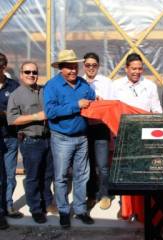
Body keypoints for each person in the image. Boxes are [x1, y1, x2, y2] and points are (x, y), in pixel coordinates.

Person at [44, 49, 96, 229]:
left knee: (82, 175)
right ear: (60, 68)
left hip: (82, 137)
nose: (73, 71)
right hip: (62, 138)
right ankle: (64, 212)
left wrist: (97, 101)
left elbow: (92, 100)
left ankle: (80, 210)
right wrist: (76, 105)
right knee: (61, 177)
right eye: (69, 68)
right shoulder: (52, 86)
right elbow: (50, 112)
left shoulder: (83, 84)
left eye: (75, 67)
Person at [111, 53, 163, 221]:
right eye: (133, 68)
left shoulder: (150, 85)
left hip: (146, 136)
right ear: (126, 69)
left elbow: (156, 108)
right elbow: (111, 109)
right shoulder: (116, 85)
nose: (137, 72)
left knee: (144, 172)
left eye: (140, 68)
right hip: (124, 135)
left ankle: (143, 208)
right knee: (125, 173)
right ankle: (125, 208)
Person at [7, 61, 55, 224]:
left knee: (48, 174)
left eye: (34, 72)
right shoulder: (16, 95)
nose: (31, 75)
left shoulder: (43, 90)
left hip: (47, 139)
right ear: (21, 75)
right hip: (30, 141)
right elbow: (12, 119)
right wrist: (36, 117)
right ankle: (35, 209)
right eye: (27, 72)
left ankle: (47, 202)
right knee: (33, 177)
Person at [82, 52, 113, 210]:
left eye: (94, 65)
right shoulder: (79, 82)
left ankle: (105, 194)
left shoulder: (106, 82)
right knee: (88, 164)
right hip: (84, 128)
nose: (91, 68)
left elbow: (112, 104)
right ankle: (91, 195)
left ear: (98, 66)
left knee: (102, 165)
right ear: (84, 66)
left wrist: (101, 103)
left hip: (101, 127)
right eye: (88, 65)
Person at [0, 53, 22, 218]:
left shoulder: (13, 86)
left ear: (5, 66)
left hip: (11, 137)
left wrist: (4, 114)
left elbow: (19, 111)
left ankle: (8, 206)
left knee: (10, 175)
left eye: (1, 64)